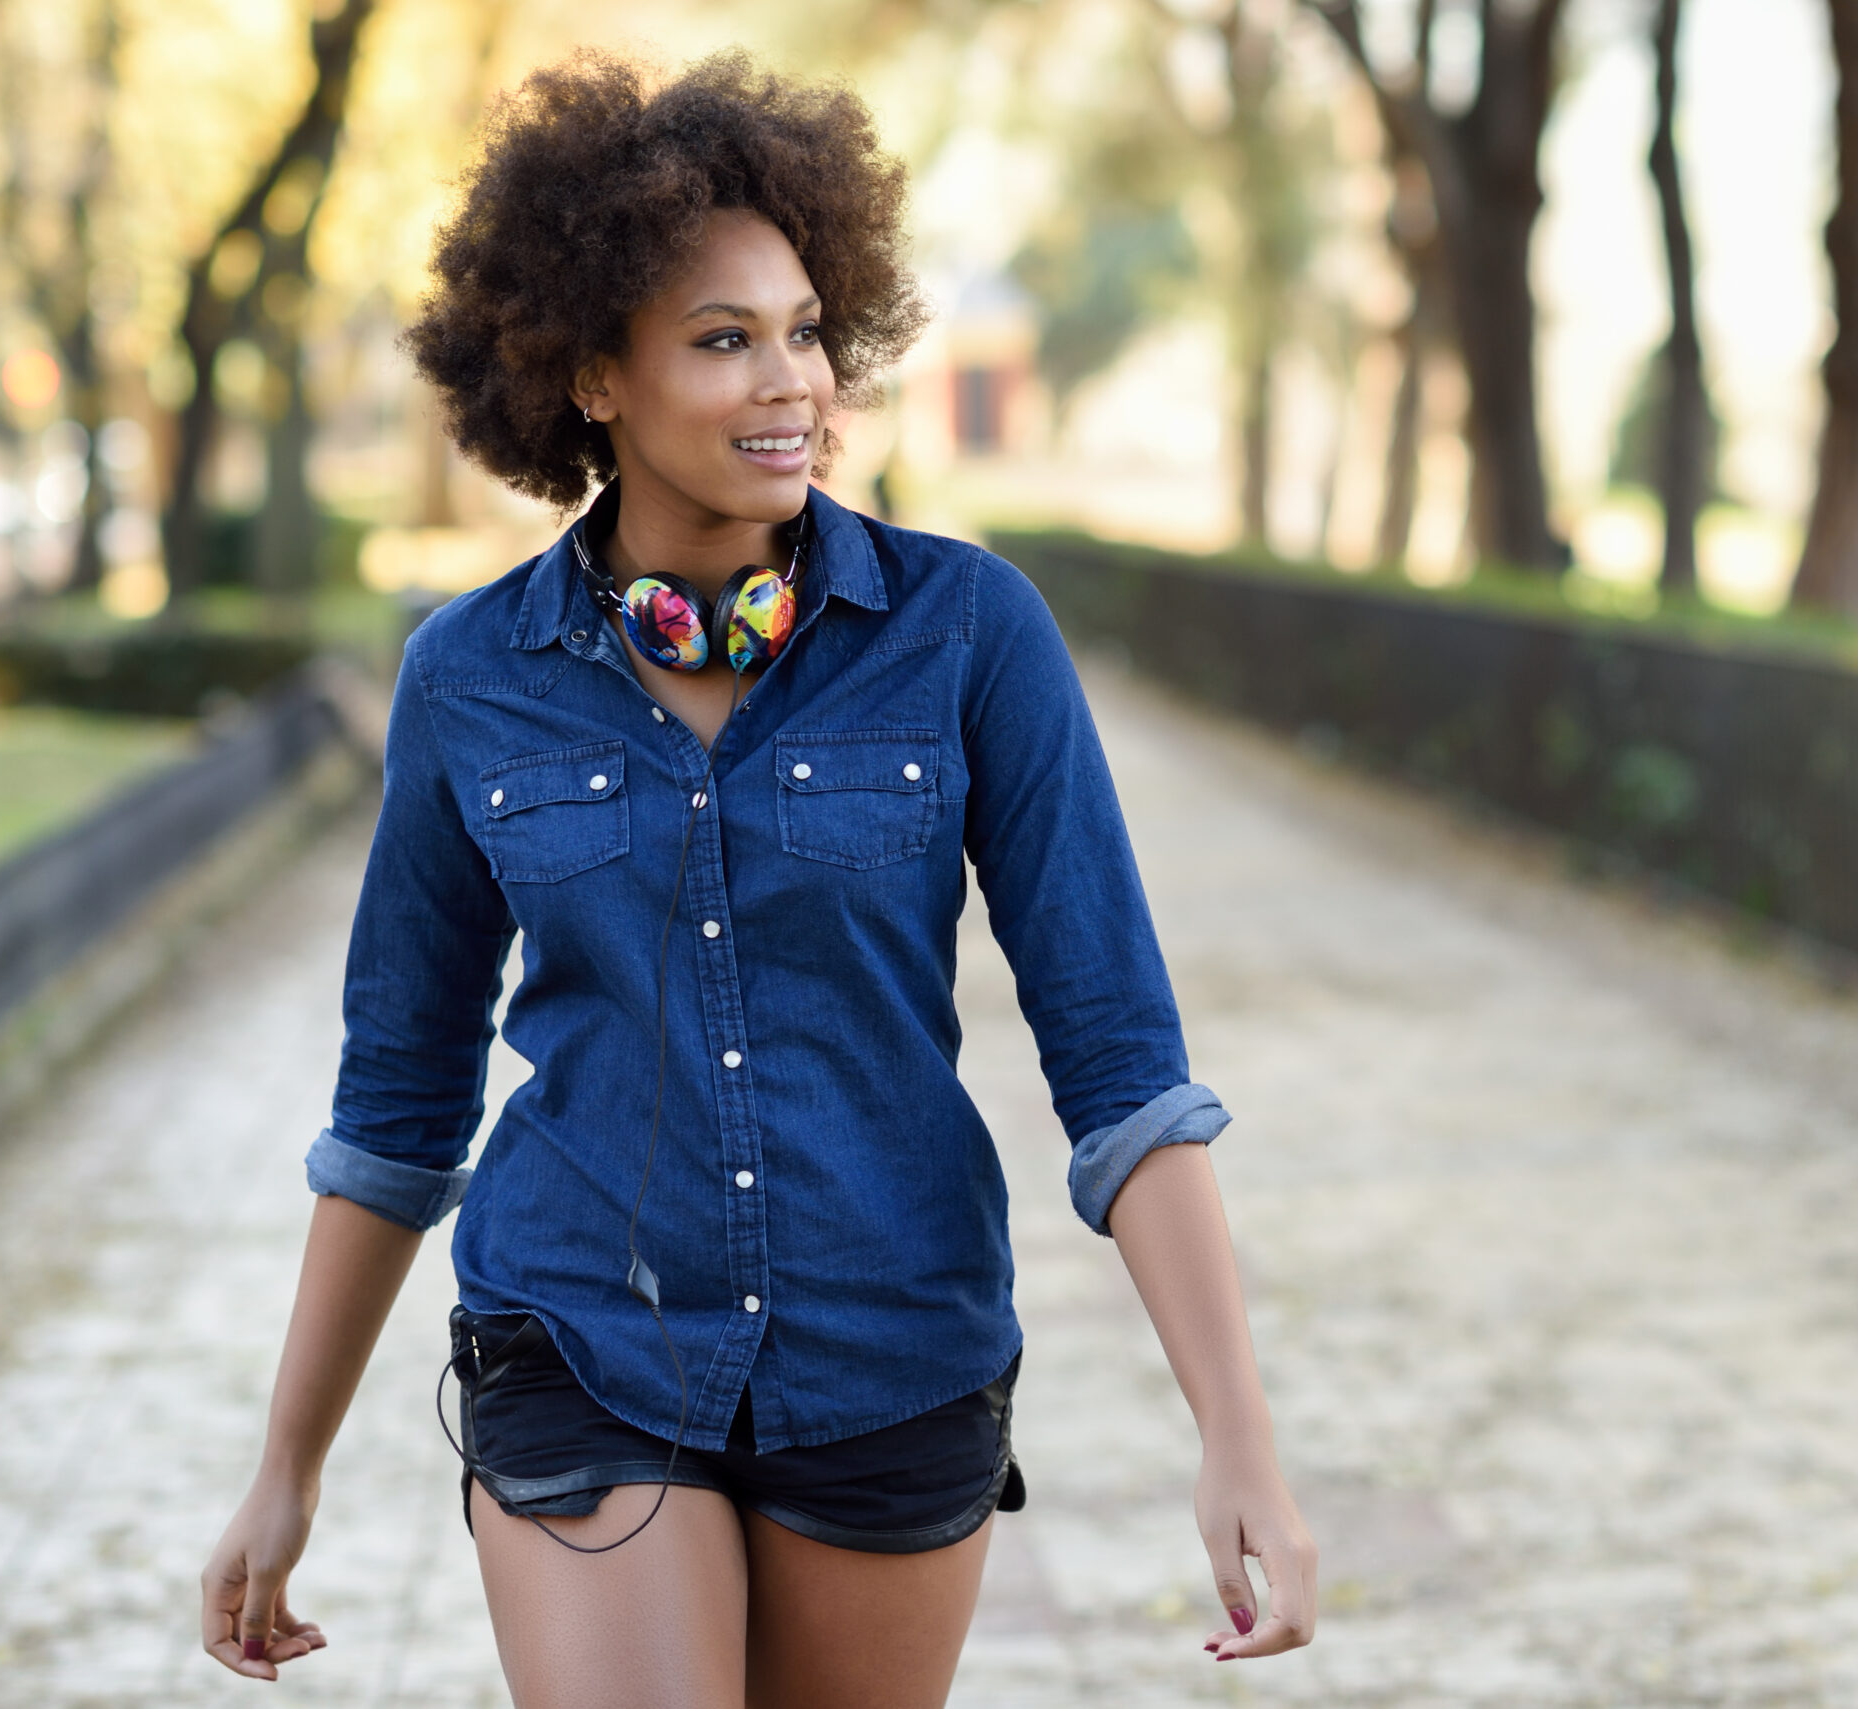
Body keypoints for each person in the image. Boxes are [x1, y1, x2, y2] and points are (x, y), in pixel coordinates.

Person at [198, 49, 1315, 1706]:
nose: (788, 378)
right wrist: (284, 1466)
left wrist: (1239, 1437)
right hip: (582, 1340)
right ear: (592, 376)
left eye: (804, 329)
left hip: (893, 1346)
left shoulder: (964, 634)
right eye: (722, 340)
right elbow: (398, 1104)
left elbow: (1121, 1064)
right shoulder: (472, 677)